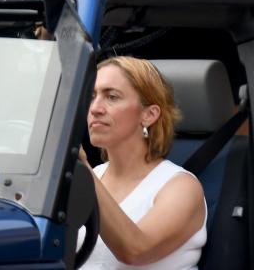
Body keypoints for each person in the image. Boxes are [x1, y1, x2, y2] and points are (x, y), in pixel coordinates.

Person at [80, 56, 206, 269]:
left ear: (149, 115)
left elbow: (135, 250)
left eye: (112, 97)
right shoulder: (93, 175)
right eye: (91, 97)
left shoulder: (182, 186)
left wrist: (80, 165)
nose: (95, 108)